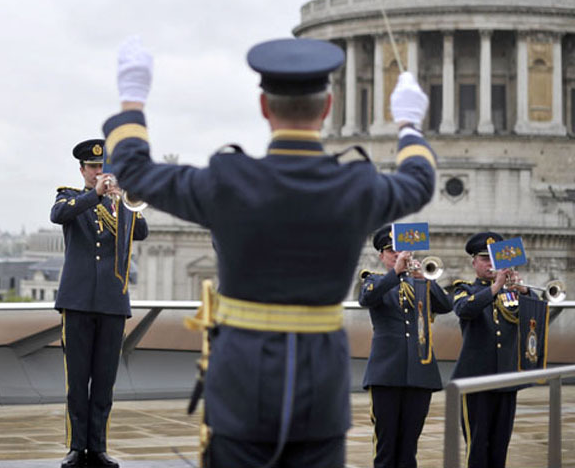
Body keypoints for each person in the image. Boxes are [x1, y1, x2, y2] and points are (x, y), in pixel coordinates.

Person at [101, 36, 436, 468]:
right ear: (328, 106)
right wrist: (408, 124)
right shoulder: (356, 186)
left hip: (241, 383)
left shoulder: (229, 180)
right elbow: (419, 179)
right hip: (321, 389)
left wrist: (133, 100)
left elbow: (133, 170)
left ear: (264, 106)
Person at [51, 138, 149, 468]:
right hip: (77, 301)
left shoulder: (121, 205)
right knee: (77, 381)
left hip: (111, 300)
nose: (100, 172)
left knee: (104, 381)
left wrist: (119, 199)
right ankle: (76, 446)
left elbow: (142, 231)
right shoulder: (69, 197)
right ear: (83, 170)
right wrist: (95, 195)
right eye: (94, 167)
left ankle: (99, 446)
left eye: (104, 167)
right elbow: (59, 215)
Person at [358, 225, 452, 468]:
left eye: (402, 251)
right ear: (382, 256)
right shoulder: (374, 280)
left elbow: (445, 306)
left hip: (419, 373)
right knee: (386, 448)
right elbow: (366, 299)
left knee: (409, 448)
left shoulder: (420, 284)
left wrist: (425, 279)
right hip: (386, 373)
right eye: (392, 251)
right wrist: (396, 273)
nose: (399, 255)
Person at [451, 232, 546, 468]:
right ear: (474, 262)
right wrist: (495, 287)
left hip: (506, 377)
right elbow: (464, 310)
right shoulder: (465, 289)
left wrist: (525, 292)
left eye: (494, 258)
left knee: (500, 444)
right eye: (484, 258)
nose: (490, 263)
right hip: (476, 378)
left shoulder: (513, 293)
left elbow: (536, 318)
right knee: (477, 444)